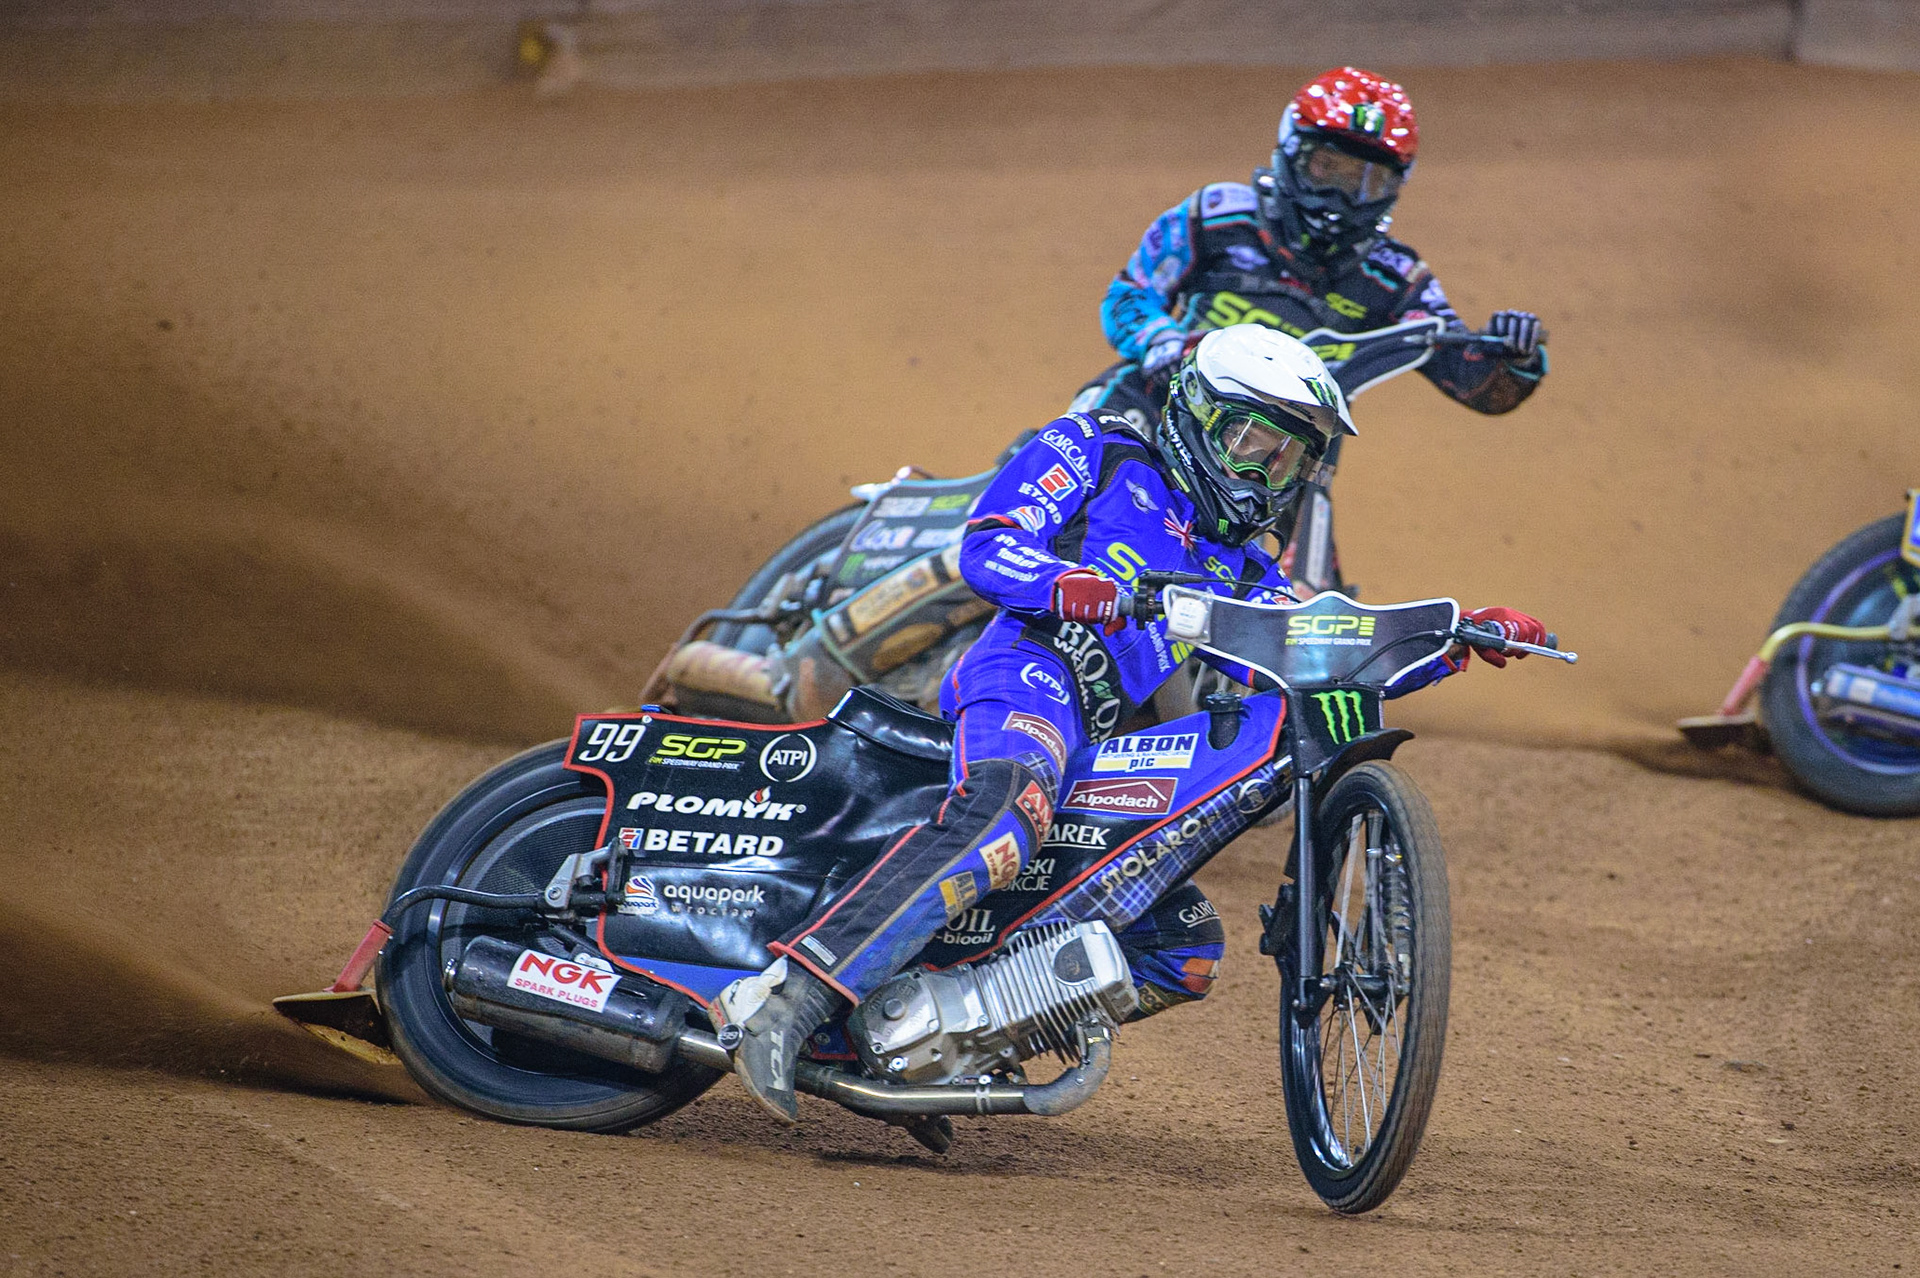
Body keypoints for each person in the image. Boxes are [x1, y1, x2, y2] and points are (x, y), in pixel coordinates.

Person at [711, 326, 1547, 1123]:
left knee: (1184, 948)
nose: (1266, 472)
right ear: (1199, 413)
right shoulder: (1101, 447)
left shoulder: (1243, 566)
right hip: (1028, 671)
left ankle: (944, 1045)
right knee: (1009, 812)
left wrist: (1454, 638)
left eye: (1290, 457)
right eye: (1253, 442)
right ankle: (791, 998)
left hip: (1104, 736)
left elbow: (1317, 642)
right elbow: (987, 543)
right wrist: (1059, 581)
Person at [1091, 66, 1546, 424]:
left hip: (1280, 456)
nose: (1340, 198)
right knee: (1073, 464)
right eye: (1327, 168)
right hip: (1162, 406)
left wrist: (1517, 356)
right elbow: (1131, 293)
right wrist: (1161, 340)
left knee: (1310, 547)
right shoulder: (1217, 214)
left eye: (1366, 182)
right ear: (1291, 152)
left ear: (1395, 187)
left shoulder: (1397, 280)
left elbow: (1471, 380)